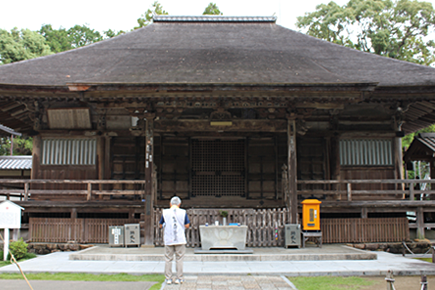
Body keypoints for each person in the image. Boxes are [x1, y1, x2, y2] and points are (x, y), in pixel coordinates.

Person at [159, 196, 190, 285]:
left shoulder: (165, 212)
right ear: (179, 204)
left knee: (168, 258)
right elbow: (187, 225)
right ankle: (179, 278)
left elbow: (160, 225)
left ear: (170, 204)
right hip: (180, 238)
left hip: (169, 238)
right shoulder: (183, 212)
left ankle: (168, 278)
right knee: (179, 258)